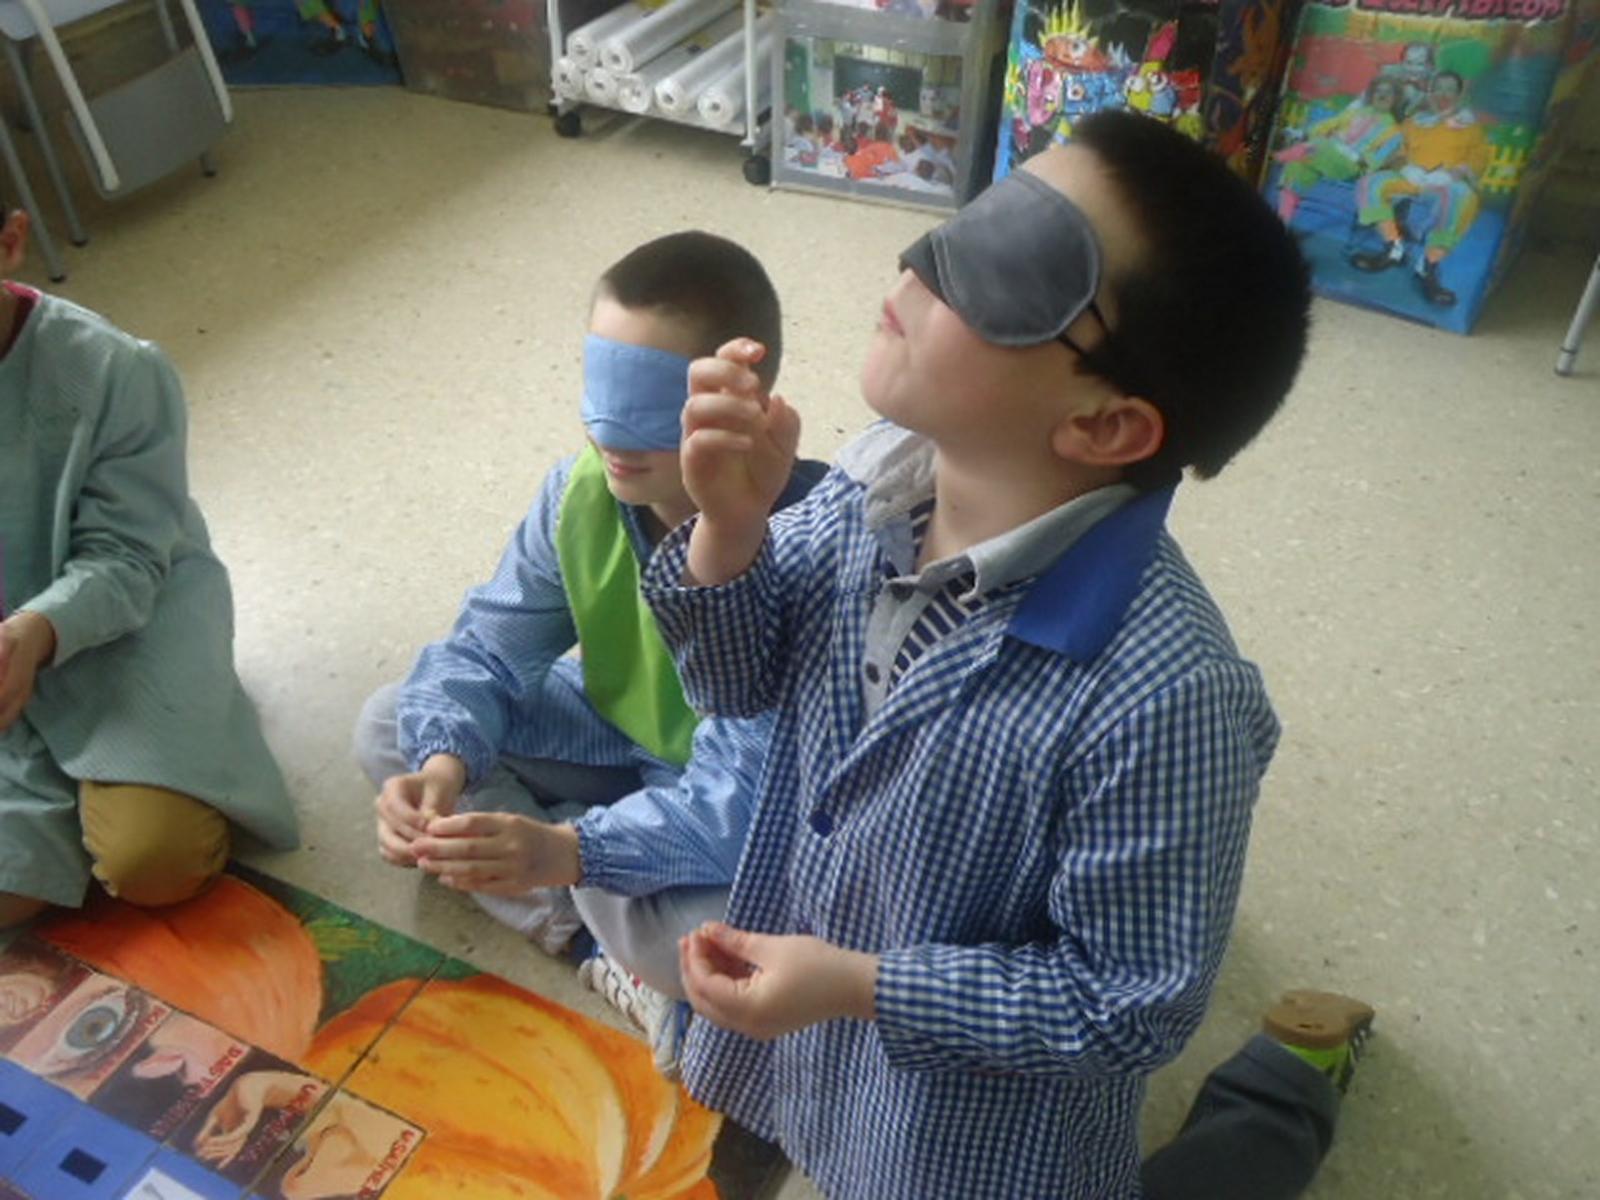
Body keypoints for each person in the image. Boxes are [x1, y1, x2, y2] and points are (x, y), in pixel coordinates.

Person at [630, 110, 1357, 1198]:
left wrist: (865, 987)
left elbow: (1126, 1005)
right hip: (819, 1047)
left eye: (1011, 265)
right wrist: (730, 533)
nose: (922, 260)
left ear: (1105, 426)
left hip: (971, 1146)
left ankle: (1287, 1083)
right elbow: (737, 684)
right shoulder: (879, 479)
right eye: (973, 218)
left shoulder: (1166, 698)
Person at [356, 231, 823, 959]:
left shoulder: (813, 541)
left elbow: (750, 802)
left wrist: (570, 849)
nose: (612, 435)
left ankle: (579, 881)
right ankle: (583, 924)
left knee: (737, 933)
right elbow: (488, 648)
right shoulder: (581, 494)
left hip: (742, 795)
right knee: (394, 725)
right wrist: (443, 771)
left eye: (649, 402)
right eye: (601, 386)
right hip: (612, 733)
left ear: (745, 405)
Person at [0, 207, 298, 932]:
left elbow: (127, 555)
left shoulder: (113, 368)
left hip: (121, 619)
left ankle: (165, 744)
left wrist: (33, 632)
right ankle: (63, 807)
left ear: (10, 243)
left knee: (154, 860)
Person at [1352, 70, 1490, 307]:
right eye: (1438, 88)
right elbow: (1396, 149)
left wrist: (1453, 174)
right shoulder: (1413, 122)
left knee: (1462, 198)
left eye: (1450, 90)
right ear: (1429, 92)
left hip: (1445, 183)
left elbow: (1479, 159)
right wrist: (1405, 166)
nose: (1443, 95)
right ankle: (1393, 249)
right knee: (1371, 183)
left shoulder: (1470, 127)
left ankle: (1428, 265)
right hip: (1411, 177)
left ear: (1459, 95)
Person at [1273, 77, 1406, 227]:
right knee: (1297, 167)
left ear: (1396, 99)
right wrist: (1309, 132)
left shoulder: (1395, 132)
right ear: (1372, 94)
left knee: (1319, 146)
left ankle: (1277, 156)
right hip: (1327, 152)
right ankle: (1282, 222)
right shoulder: (1356, 112)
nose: (1382, 96)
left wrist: (1355, 156)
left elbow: (1376, 161)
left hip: (1350, 165)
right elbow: (1329, 124)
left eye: (1388, 93)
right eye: (1378, 91)